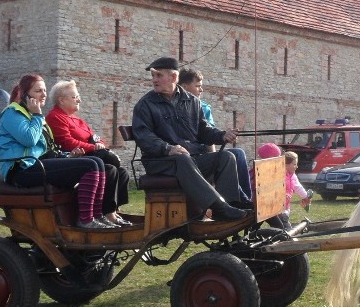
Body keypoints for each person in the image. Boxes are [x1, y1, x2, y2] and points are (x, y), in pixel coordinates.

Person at [132, 57, 251, 222]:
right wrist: (168, 148)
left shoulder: (192, 101)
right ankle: (218, 207)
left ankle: (231, 206)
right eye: (153, 76)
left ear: (173, 78)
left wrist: (221, 135)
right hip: (160, 161)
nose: (154, 80)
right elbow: (143, 136)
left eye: (159, 76)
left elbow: (204, 130)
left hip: (190, 159)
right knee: (182, 157)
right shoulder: (145, 104)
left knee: (227, 157)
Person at [0, 74, 113, 229]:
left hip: (36, 165)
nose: (44, 94)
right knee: (90, 165)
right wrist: (37, 115)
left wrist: (68, 156)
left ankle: (97, 216)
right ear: (25, 94)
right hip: (20, 170)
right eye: (38, 91)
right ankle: (86, 220)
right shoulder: (13, 113)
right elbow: (29, 140)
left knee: (97, 162)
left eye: (44, 90)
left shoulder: (33, 115)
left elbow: (47, 149)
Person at [46, 80, 132, 226]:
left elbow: (97, 139)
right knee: (110, 167)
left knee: (122, 172)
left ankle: (112, 211)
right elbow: (67, 142)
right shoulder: (55, 117)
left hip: (90, 156)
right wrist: (93, 148)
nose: (79, 100)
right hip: (73, 159)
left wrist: (99, 145)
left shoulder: (78, 120)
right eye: (75, 97)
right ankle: (103, 215)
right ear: (61, 100)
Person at [179, 67, 252, 200]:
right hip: (190, 157)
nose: (201, 90)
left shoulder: (202, 107)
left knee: (238, 153)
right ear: (184, 87)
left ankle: (246, 199)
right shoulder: (176, 107)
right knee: (226, 158)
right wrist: (214, 158)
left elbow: (208, 134)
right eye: (198, 86)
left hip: (203, 153)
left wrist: (223, 135)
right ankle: (237, 203)